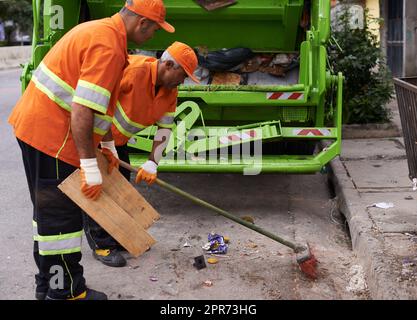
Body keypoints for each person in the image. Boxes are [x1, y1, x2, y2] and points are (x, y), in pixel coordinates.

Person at [8, 0, 174, 301]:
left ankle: (47, 285)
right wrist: (89, 165)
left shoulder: (101, 32)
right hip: (53, 138)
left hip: (36, 129)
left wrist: (107, 144)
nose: (153, 37)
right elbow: (82, 111)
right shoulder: (109, 47)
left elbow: (97, 107)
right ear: (142, 23)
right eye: (154, 29)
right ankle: (68, 293)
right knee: (61, 222)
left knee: (45, 218)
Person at [84, 42, 199, 266]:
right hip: (95, 136)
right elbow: (97, 104)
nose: (183, 80)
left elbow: (164, 128)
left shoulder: (170, 91)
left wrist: (152, 163)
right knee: (98, 189)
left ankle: (114, 235)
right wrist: (99, 146)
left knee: (120, 186)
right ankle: (102, 246)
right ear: (167, 65)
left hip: (118, 142)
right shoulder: (133, 71)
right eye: (182, 74)